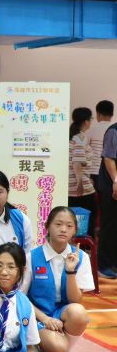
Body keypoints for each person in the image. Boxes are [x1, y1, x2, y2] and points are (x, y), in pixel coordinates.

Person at [24, 207, 93, 352]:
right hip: (38, 315)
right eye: (58, 224)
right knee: (57, 348)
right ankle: (43, 346)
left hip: (63, 314)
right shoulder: (32, 257)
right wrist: (45, 319)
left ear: (75, 230)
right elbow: (21, 297)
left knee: (79, 312)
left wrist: (70, 271)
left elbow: (75, 300)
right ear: (47, 226)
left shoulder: (82, 257)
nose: (63, 229)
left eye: (69, 226)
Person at [68, 107, 97, 237]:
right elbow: (77, 162)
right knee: (89, 217)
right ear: (86, 121)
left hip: (71, 186)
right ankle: (85, 244)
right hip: (81, 187)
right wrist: (80, 183)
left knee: (74, 218)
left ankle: (77, 242)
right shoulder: (80, 138)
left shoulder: (72, 136)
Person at [97, 107, 117, 279]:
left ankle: (114, 263)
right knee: (109, 226)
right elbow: (109, 158)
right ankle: (103, 266)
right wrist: (116, 180)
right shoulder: (113, 131)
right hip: (111, 188)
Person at [86, 99, 114, 186]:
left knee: (96, 194)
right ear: (112, 114)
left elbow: (85, 149)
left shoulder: (91, 129)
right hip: (110, 170)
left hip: (94, 171)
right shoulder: (114, 129)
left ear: (98, 114)